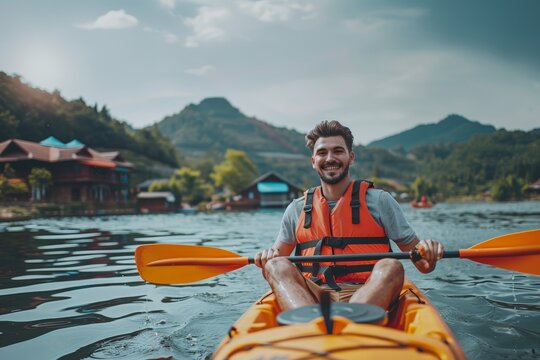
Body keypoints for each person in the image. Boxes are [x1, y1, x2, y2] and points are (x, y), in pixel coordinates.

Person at [254, 120, 444, 312]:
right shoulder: (296, 209)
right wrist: (267, 259)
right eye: (322, 152)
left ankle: (350, 320)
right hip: (313, 296)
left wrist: (428, 250)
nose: (329, 158)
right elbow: (273, 271)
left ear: (350, 157)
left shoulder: (380, 202)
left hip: (369, 291)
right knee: (277, 265)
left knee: (391, 266)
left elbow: (424, 265)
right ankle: (310, 325)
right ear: (313, 161)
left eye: (337, 151)